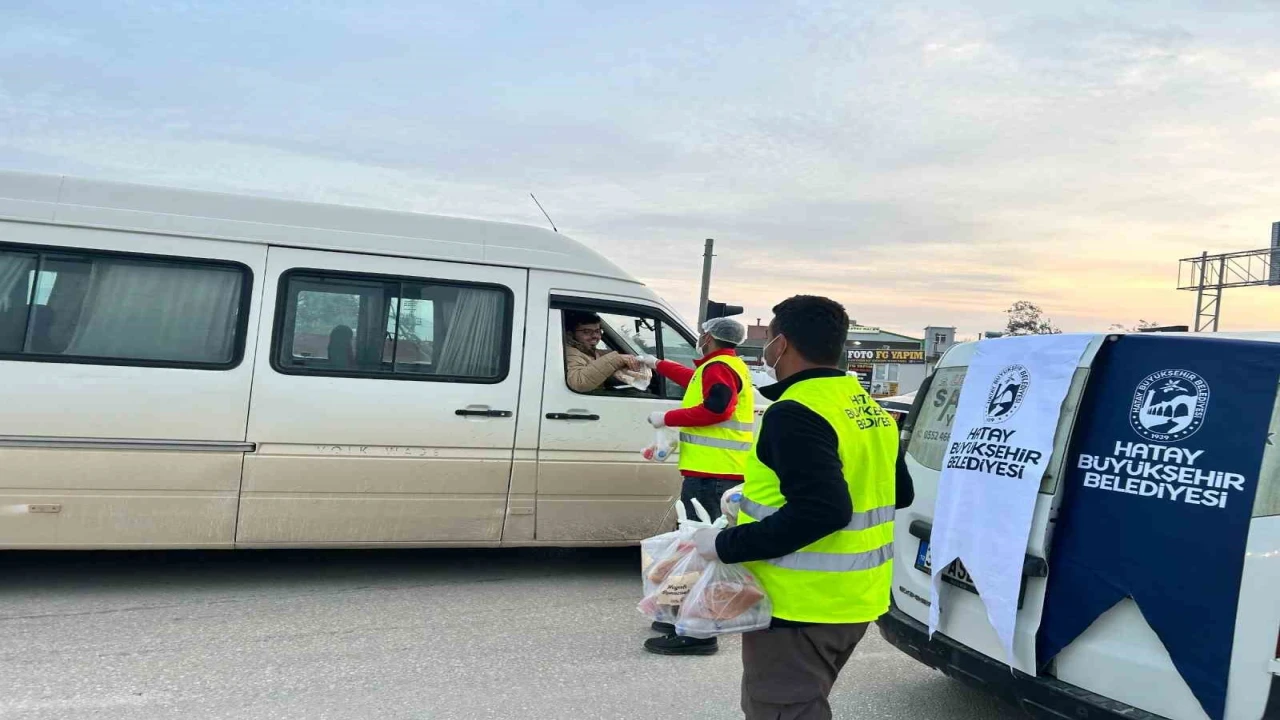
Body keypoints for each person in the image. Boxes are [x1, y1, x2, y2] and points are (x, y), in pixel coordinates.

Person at [684, 295, 898, 720]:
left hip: (801, 606)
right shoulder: (869, 409)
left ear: (780, 345)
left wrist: (723, 544)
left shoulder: (795, 412)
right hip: (855, 599)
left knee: (782, 711)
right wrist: (752, 501)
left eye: (768, 340)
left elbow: (824, 510)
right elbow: (895, 492)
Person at [640, 316, 755, 657]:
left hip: (713, 475)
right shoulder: (722, 365)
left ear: (709, 337)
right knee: (694, 548)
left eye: (703, 333)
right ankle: (679, 614)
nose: (700, 337)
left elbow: (717, 409)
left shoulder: (718, 367)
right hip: (715, 473)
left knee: (702, 553)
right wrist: (656, 364)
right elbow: (692, 380)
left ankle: (699, 633)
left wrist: (667, 418)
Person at [563, 311, 644, 392]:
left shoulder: (590, 351)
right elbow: (578, 382)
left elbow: (602, 363)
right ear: (570, 334)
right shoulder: (568, 352)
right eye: (587, 332)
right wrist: (617, 359)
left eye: (597, 331)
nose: (595, 336)